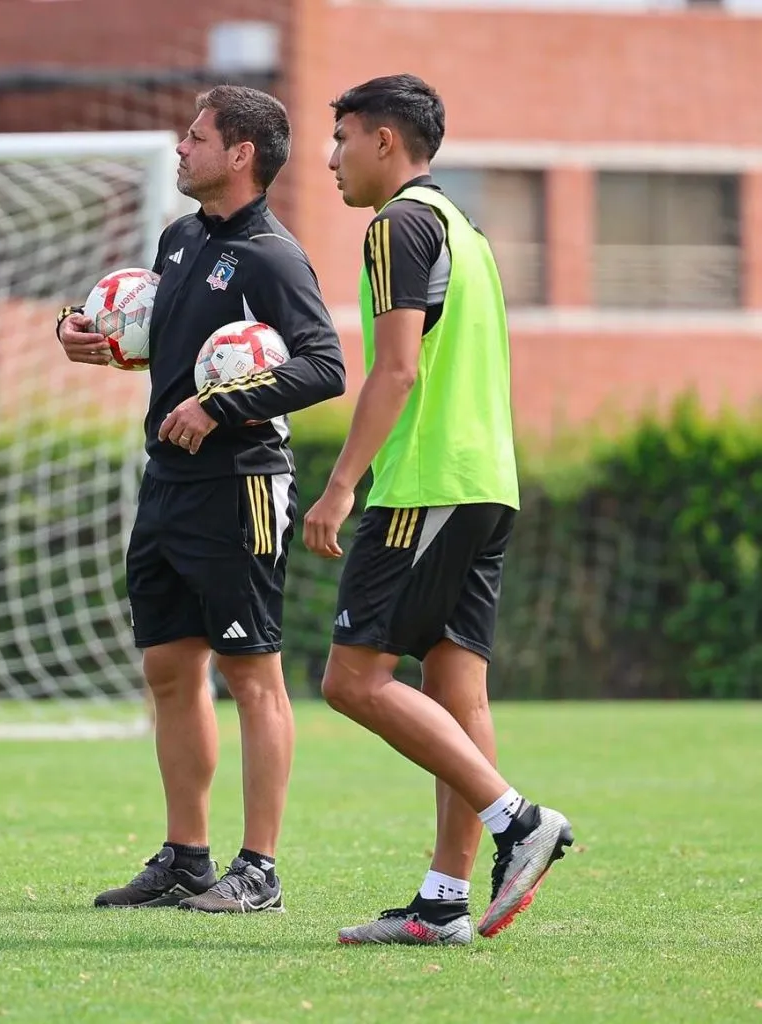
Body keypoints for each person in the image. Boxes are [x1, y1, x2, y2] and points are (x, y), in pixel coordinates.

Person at [57, 85, 346, 913]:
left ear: (240, 155)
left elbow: (323, 367)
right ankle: (187, 858)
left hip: (242, 484)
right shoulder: (180, 238)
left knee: (251, 673)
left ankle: (259, 870)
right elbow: (157, 336)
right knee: (168, 670)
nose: (180, 150)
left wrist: (218, 405)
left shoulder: (272, 256)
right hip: (167, 483)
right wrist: (80, 330)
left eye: (195, 137)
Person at [303, 73, 572, 945]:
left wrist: (340, 485)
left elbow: (396, 369)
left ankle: (517, 820)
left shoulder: (398, 225)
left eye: (341, 138)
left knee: (351, 680)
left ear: (386, 141)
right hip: (486, 482)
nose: (330, 158)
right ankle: (443, 902)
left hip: (425, 485)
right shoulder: (467, 228)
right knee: (458, 693)